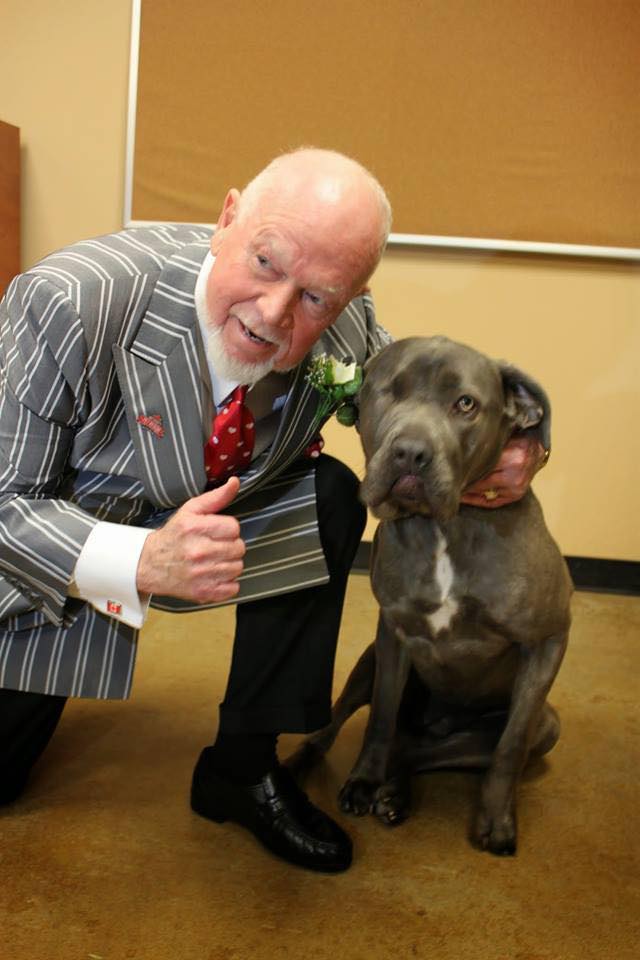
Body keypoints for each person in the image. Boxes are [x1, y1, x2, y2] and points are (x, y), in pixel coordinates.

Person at [0, 148, 545, 872]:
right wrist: (140, 559)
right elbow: (6, 501)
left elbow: (424, 404)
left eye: (318, 296)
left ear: (349, 297)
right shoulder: (71, 302)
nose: (275, 311)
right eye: (265, 263)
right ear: (228, 219)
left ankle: (243, 767)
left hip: (228, 525)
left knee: (329, 499)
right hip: (63, 554)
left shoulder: (348, 335)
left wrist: (518, 443)